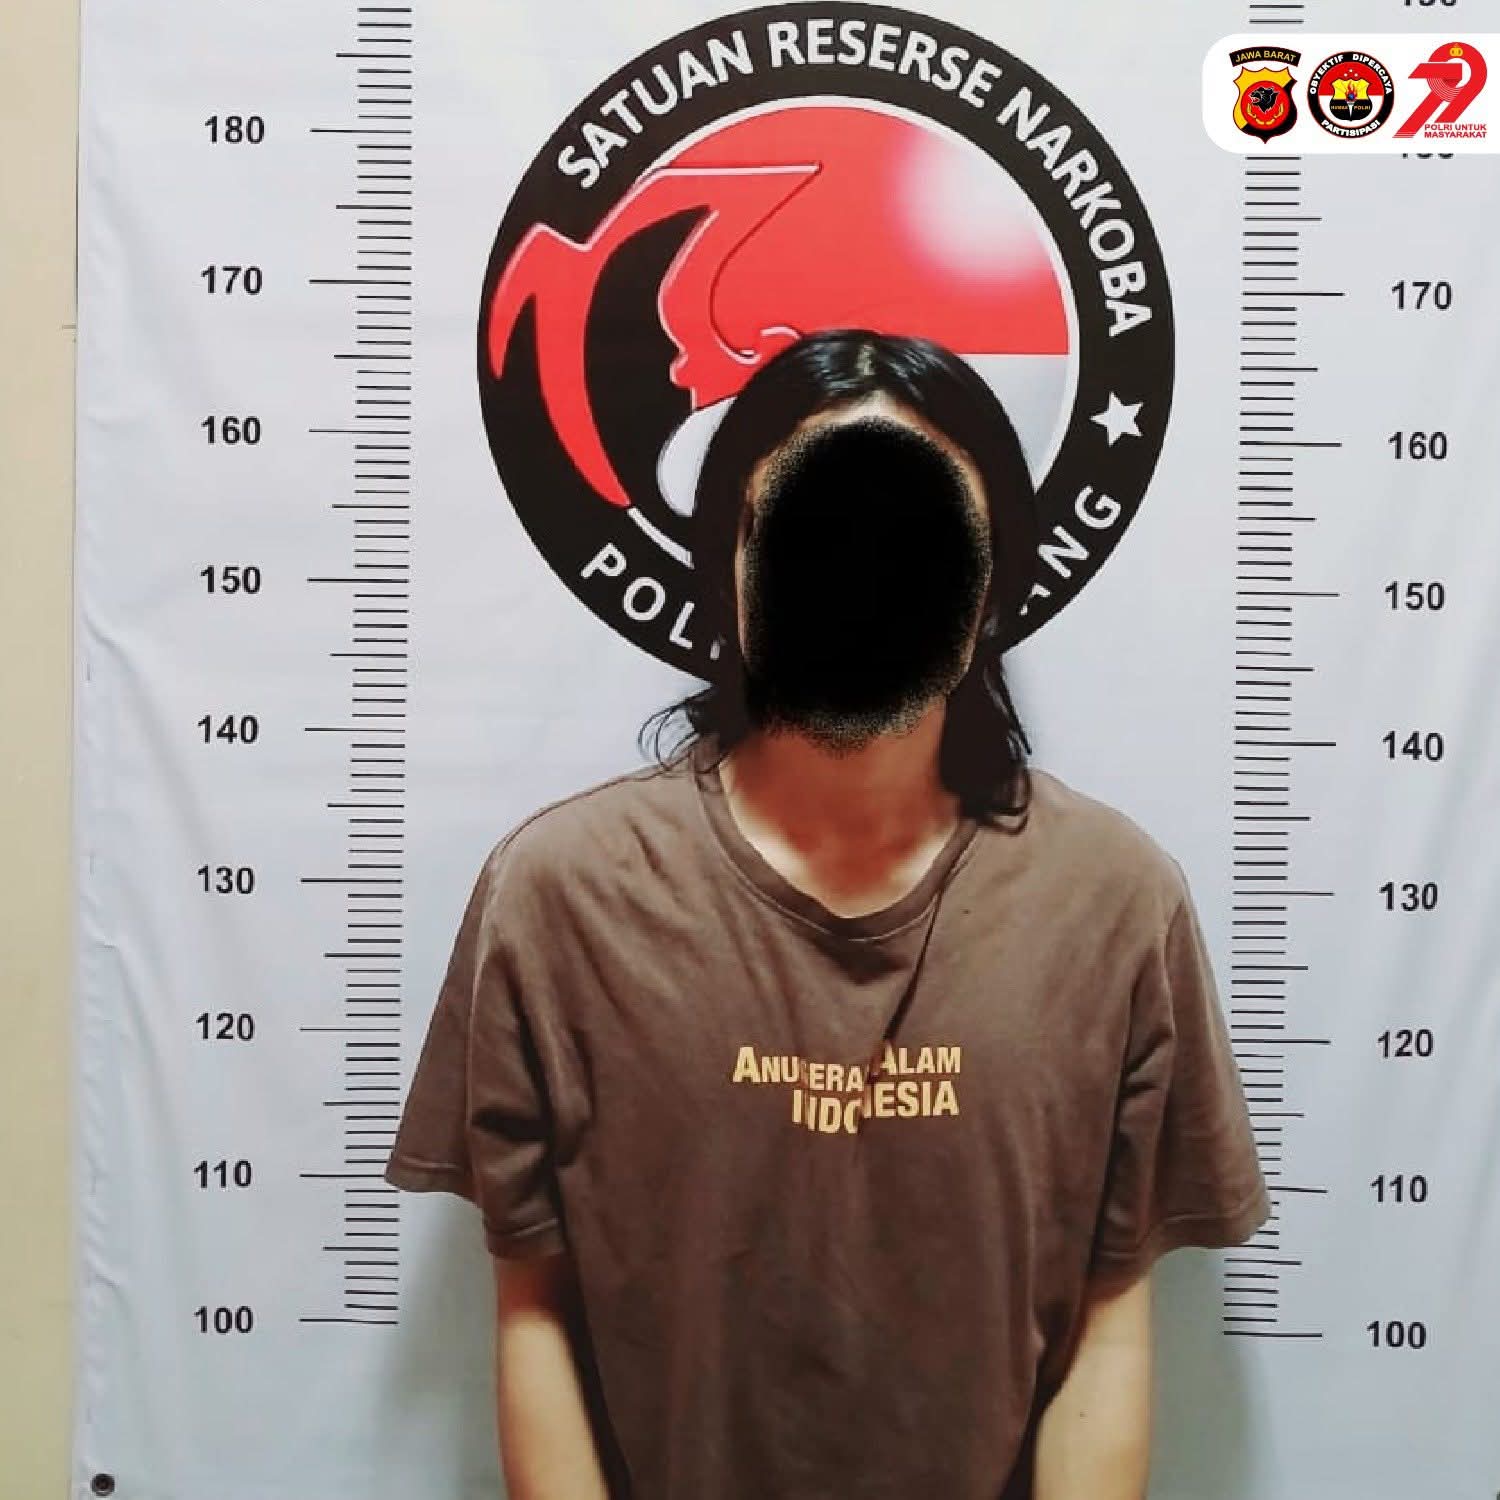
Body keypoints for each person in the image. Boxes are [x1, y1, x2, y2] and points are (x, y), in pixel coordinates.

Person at [384, 328, 1272, 1500]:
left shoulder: (1114, 902)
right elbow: (533, 1309)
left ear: (991, 577)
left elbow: (1108, 1322)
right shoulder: (561, 896)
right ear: (733, 562)